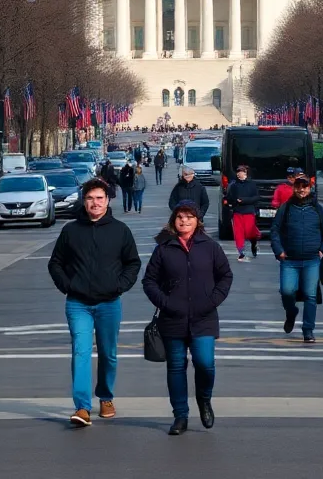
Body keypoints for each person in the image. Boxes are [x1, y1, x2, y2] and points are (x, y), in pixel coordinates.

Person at [48, 179, 142, 427]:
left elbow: (133, 263)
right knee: (80, 351)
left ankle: (106, 396)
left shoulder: (120, 230)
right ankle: (82, 407)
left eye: (99, 198)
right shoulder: (71, 230)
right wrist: (67, 285)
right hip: (78, 303)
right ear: (84, 201)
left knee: (108, 354)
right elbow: (55, 263)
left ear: (108, 200)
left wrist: (119, 285)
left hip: (109, 302)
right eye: (90, 198)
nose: (95, 203)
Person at [142, 200, 233, 436]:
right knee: (176, 367)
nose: (184, 221)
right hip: (173, 318)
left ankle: (204, 399)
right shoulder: (164, 247)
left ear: (197, 221)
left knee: (205, 363)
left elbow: (225, 276)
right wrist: (165, 302)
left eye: (189, 217)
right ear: (174, 220)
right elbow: (149, 281)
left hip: (204, 317)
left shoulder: (210, 246)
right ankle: (180, 415)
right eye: (180, 217)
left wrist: (212, 300)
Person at [270, 177, 323, 343]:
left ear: (309, 188)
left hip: (312, 260)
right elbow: (275, 230)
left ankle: (308, 330)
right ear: (294, 188)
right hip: (289, 260)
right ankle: (291, 312)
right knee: (287, 291)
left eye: (304, 187)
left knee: (310, 296)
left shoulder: (317, 209)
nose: (301, 190)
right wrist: (279, 251)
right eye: (298, 187)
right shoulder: (286, 208)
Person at [224, 164, 261, 261]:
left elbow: (256, 198)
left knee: (249, 232)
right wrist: (232, 201)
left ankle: (254, 242)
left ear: (246, 173)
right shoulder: (233, 185)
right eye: (238, 172)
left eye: (242, 172)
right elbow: (228, 197)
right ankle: (241, 252)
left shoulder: (252, 184)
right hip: (237, 211)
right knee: (238, 233)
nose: (239, 174)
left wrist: (244, 200)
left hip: (249, 211)